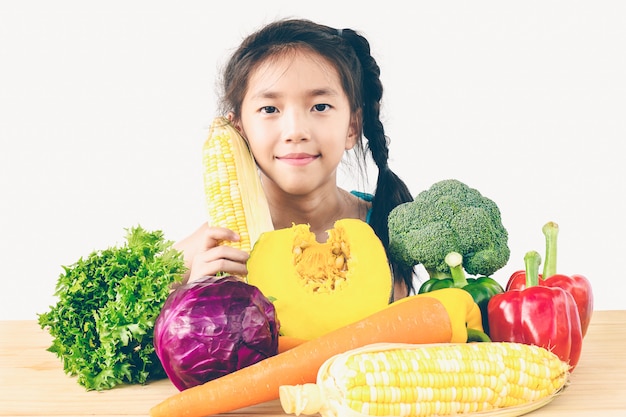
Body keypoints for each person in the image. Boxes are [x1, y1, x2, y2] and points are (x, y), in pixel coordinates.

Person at [175, 18, 415, 300]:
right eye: (269, 109)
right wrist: (191, 303)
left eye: (320, 106)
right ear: (238, 131)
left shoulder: (389, 233)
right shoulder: (202, 252)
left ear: (352, 126)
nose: (296, 131)